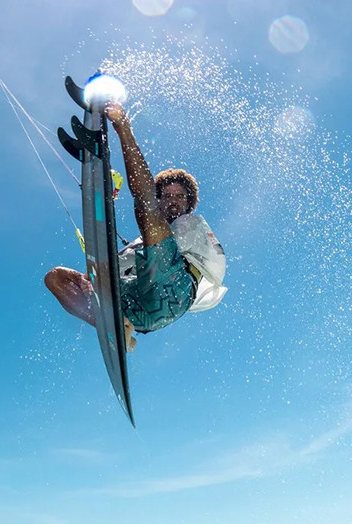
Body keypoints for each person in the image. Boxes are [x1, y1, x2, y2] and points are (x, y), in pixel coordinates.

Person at [44, 102, 227, 350]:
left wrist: (122, 127)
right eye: (167, 196)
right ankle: (118, 328)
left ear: (189, 204)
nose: (173, 201)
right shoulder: (140, 244)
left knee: (146, 211)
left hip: (173, 293)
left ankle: (123, 128)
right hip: (135, 308)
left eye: (179, 197)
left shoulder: (191, 226)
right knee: (57, 277)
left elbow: (146, 206)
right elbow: (102, 273)